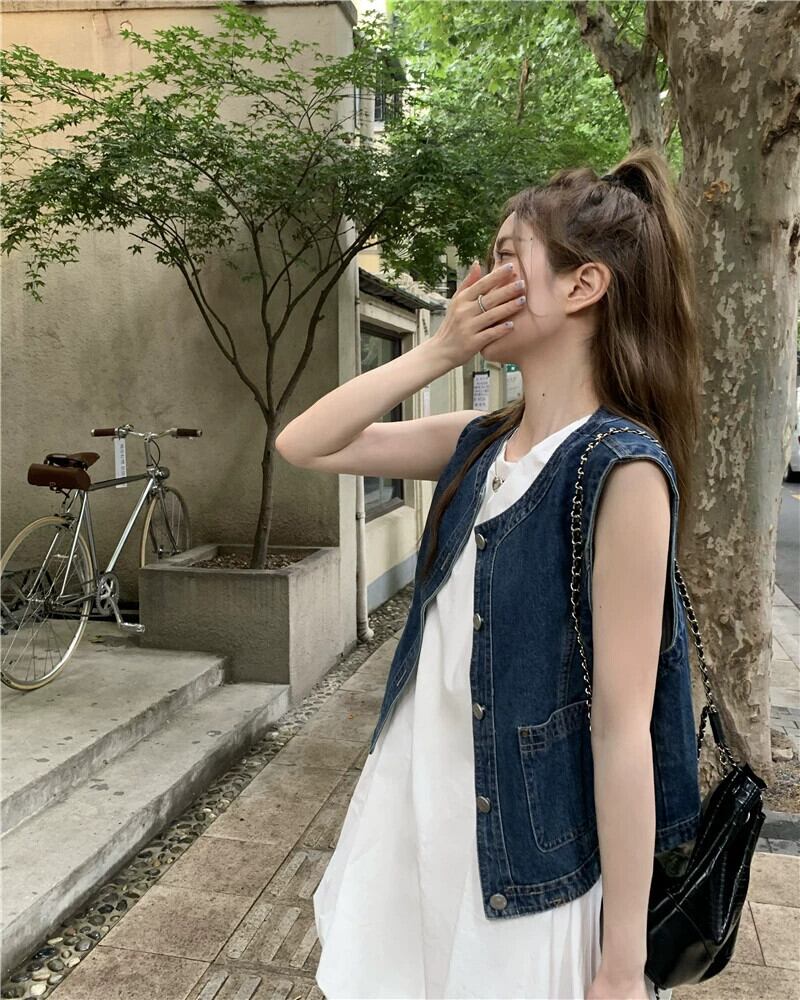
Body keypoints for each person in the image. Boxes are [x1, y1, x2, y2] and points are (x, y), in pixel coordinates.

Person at [276, 145, 702, 1000]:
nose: (480, 282)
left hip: (522, 863)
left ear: (583, 287)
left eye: (507, 258)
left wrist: (622, 965)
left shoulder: (620, 470)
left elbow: (623, 732)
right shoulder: (479, 441)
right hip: (417, 815)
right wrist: (435, 352)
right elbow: (303, 443)